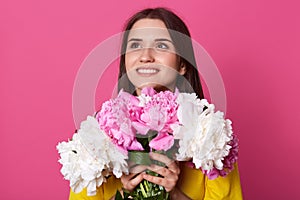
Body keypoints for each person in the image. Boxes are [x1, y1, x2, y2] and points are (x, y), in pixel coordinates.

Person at [69, 7, 243, 200]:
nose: (145, 56)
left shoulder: (211, 136)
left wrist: (175, 195)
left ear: (182, 64)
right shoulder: (97, 133)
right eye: (135, 46)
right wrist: (125, 193)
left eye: (161, 46)